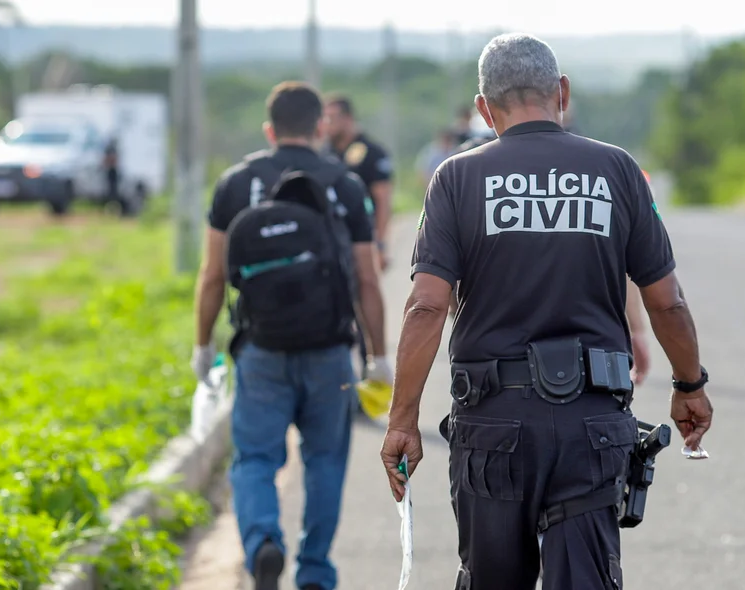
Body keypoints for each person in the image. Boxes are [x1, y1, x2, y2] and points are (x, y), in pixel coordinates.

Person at [379, 33, 714, 589]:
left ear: (485, 109)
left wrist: (402, 420)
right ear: (561, 92)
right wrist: (690, 385)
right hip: (592, 425)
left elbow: (425, 307)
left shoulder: (457, 178)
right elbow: (667, 301)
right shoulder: (618, 170)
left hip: (492, 428)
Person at [192, 81, 391, 590]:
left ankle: (262, 542)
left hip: (260, 349)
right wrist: (376, 355)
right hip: (329, 350)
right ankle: (315, 573)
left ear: (269, 129)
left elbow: (213, 275)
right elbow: (367, 278)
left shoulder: (237, 183)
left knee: (255, 457)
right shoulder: (345, 184)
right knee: (325, 460)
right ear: (321, 127)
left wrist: (203, 346)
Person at [322, 94, 395, 272]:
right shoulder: (324, 154)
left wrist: (379, 245)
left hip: (363, 241)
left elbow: (383, 200)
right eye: (323, 119)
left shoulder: (373, 153)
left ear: (348, 119)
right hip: (332, 245)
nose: (326, 124)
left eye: (331, 118)